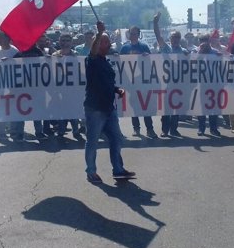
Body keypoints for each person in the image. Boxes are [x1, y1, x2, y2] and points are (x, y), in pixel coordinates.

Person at [84, 20, 134, 184]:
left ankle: (118, 170)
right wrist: (99, 33)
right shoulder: (91, 60)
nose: (107, 43)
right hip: (95, 109)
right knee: (92, 141)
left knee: (116, 139)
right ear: (97, 44)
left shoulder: (105, 61)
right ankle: (91, 171)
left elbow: (107, 83)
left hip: (108, 108)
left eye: (107, 41)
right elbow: (92, 52)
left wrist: (117, 89)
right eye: (103, 41)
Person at [120, 25, 157, 138]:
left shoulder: (144, 46)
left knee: (146, 107)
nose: (133, 35)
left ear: (138, 34)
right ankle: (136, 129)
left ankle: (150, 129)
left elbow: (152, 63)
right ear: (129, 35)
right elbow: (120, 63)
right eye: (131, 33)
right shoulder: (124, 48)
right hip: (130, 83)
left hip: (143, 83)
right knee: (134, 106)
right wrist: (117, 56)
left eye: (135, 33)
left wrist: (148, 56)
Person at [153, 12, 187, 137]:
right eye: (173, 37)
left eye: (177, 37)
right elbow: (158, 36)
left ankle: (174, 129)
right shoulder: (166, 48)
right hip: (166, 83)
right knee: (166, 109)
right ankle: (165, 129)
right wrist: (155, 23)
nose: (175, 39)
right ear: (170, 39)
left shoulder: (184, 51)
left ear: (179, 39)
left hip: (178, 84)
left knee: (176, 108)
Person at [52, 33, 82, 140]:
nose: (65, 43)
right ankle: (61, 131)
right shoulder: (54, 56)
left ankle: (76, 130)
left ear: (71, 42)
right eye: (63, 40)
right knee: (61, 111)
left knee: (73, 111)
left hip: (73, 89)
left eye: (67, 40)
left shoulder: (76, 55)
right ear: (59, 42)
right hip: (60, 89)